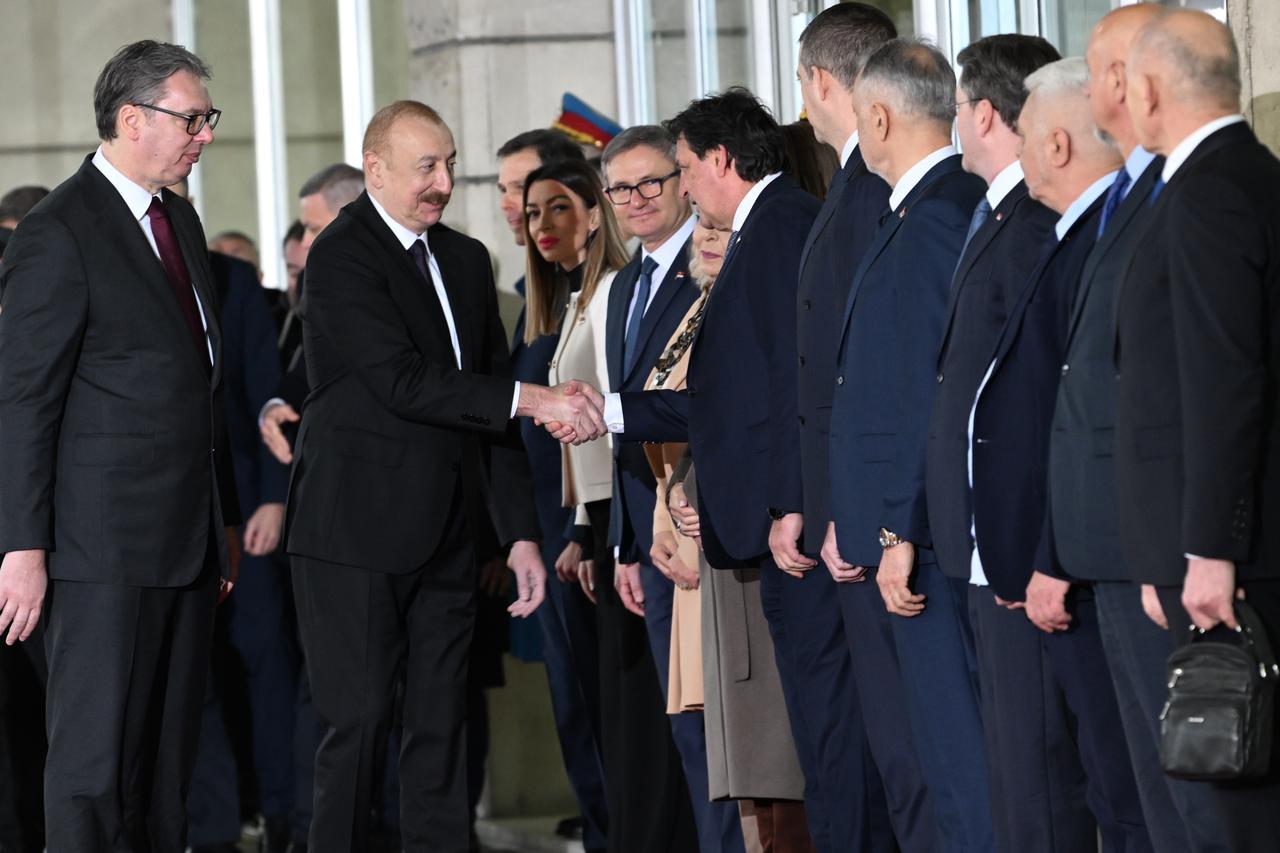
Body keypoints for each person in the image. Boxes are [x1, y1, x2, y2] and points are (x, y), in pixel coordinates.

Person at [283, 99, 596, 852]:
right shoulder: (341, 254)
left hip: (449, 539)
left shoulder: (462, 259)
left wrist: (518, 534)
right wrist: (533, 396)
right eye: (426, 166)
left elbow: (483, 420)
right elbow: (403, 381)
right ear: (377, 170)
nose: (443, 181)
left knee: (442, 731)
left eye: (451, 163)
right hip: (352, 535)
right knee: (355, 730)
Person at [582, 88, 877, 852]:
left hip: (793, 530)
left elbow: (797, 384)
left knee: (829, 727)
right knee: (812, 727)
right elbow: (725, 395)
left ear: (719, 159)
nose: (678, 185)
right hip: (771, 527)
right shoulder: (762, 230)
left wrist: (791, 502)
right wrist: (606, 411)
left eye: (679, 166)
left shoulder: (779, 230)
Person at [0, 40, 240, 851]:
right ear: (132, 119)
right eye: (193, 118)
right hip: (96, 552)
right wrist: (21, 546)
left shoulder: (179, 217)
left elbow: (200, 386)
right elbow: (23, 403)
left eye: (209, 118)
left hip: (186, 545)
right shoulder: (56, 231)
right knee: (93, 769)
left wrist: (222, 523)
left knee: (166, 766)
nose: (205, 133)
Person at [1052, 9, 1229, 851]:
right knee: (1153, 798)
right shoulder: (1133, 191)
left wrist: (1183, 546)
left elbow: (1207, 386)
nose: (1091, 88)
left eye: (1097, 70)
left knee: (1196, 797)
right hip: (1118, 544)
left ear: (1135, 80)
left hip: (1161, 552)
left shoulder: (1188, 193)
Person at [969, 56, 1153, 852]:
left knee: (1122, 788)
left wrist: (1048, 552)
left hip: (1084, 563)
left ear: (1055, 144)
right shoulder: (1074, 234)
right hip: (1061, 560)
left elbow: (1074, 420)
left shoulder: (1095, 241)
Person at [827, 37, 995, 852]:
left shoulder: (939, 217)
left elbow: (934, 391)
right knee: (936, 762)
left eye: (861, 119)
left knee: (962, 767)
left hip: (923, 543)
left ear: (882, 117)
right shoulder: (926, 211)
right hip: (909, 537)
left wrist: (901, 527)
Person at [1117, 11, 1280, 851]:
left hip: (1228, 563)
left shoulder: (1207, 189)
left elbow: (1221, 379)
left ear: (1149, 90)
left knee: (1233, 796)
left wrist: (1207, 549)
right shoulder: (1253, 174)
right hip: (1223, 546)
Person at [788, 7, 934, 852]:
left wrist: (853, 510)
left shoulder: (880, 191)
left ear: (820, 81)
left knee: (906, 752)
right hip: (864, 514)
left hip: (878, 522)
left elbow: (871, 375)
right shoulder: (854, 183)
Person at [923, 33, 1070, 850]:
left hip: (1021, 555)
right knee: (1012, 774)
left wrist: (1027, 545)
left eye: (954, 112)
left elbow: (1036, 396)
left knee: (1037, 781)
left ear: (984, 112)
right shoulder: (995, 215)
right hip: (982, 550)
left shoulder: (1035, 223)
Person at [599, 126, 740, 853]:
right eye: (620, 188)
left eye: (651, 181)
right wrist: (625, 541)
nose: (637, 199)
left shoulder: (715, 262)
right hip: (650, 538)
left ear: (683, 180)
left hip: (709, 528)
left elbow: (698, 400)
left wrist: (596, 408)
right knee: (685, 728)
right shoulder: (623, 280)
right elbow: (629, 437)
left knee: (725, 731)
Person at [653, 220, 813, 852]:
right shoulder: (702, 306)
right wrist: (673, 497)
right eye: (708, 226)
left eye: (727, 225)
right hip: (702, 539)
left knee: (768, 745)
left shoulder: (746, 306)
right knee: (731, 750)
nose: (711, 235)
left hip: (750, 538)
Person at [496, 128, 609, 852]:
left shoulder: (604, 296)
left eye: (551, 205)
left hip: (585, 534)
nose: (536, 222)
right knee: (573, 705)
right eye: (523, 205)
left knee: (600, 706)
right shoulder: (542, 301)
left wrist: (583, 534)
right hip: (546, 528)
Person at [259, 163, 366, 461]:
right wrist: (277, 404)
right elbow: (309, 360)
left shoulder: (427, 262)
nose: (306, 241)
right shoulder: (315, 281)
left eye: (314, 228)